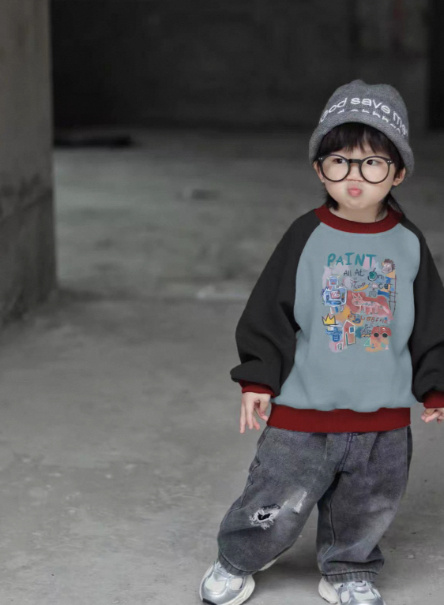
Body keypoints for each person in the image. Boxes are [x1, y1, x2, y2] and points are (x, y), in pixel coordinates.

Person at [199, 80, 444, 605]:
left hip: (381, 418)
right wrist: (257, 379)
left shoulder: (407, 243)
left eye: (372, 163)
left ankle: (349, 568)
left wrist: (435, 385)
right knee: (273, 497)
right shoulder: (305, 235)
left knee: (367, 505)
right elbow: (269, 311)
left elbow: (431, 322)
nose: (354, 176)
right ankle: (238, 557)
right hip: (303, 414)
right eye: (340, 161)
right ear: (319, 168)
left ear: (398, 172)